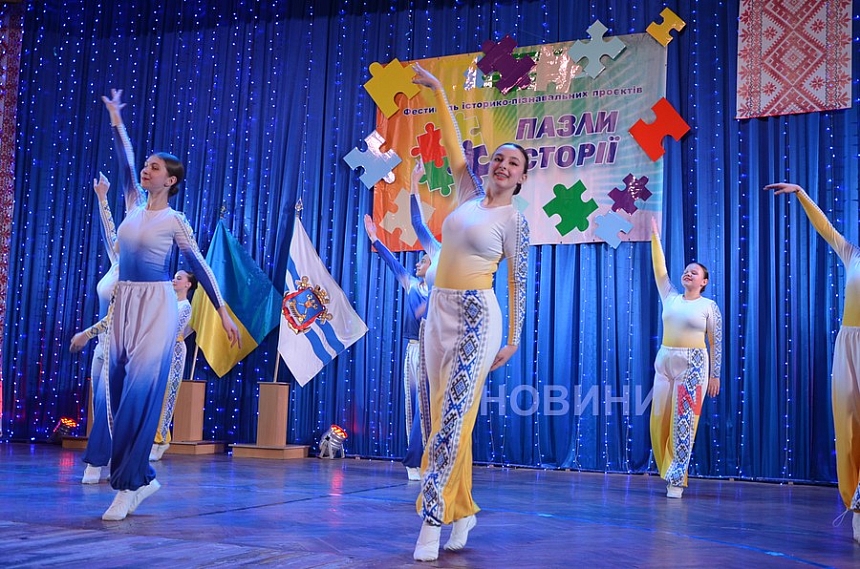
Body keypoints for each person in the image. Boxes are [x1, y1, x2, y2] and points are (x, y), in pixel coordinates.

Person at [99, 89, 239, 521]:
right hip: (126, 301)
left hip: (157, 305)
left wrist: (223, 310)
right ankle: (141, 478)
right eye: (147, 165)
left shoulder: (175, 221)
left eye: (155, 167)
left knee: (139, 396)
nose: (146, 169)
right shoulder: (132, 204)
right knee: (117, 393)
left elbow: (200, 265)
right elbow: (125, 161)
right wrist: (117, 120)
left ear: (171, 181)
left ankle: (126, 485)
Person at [410, 64, 530, 562]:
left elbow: (518, 281)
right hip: (437, 312)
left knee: (454, 419)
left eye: (513, 163)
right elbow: (453, 143)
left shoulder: (514, 220)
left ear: (521, 178)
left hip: (479, 318)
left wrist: (514, 338)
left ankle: (431, 521)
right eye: (499, 158)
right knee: (437, 418)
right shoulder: (466, 194)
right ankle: (463, 509)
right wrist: (439, 90)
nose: (502, 165)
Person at [765, 182, 860, 543]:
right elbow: (825, 228)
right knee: (848, 423)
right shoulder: (852, 255)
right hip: (848, 343)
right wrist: (802, 193)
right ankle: (856, 506)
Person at [649, 217, 722, 499]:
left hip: (693, 366)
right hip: (665, 361)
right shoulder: (670, 296)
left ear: (704, 282)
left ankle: (676, 480)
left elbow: (715, 342)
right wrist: (655, 236)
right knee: (658, 421)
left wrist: (715, 375)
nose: (688, 274)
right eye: (686, 271)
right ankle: (667, 469)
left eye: (694, 272)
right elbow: (660, 269)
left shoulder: (709, 306)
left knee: (684, 422)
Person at [364, 194, 431, 481]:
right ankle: (414, 461)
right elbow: (393, 264)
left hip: (435, 353)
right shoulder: (412, 284)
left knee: (431, 408)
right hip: (415, 351)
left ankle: (426, 458)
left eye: (423, 261)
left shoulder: (443, 290)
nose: (417, 265)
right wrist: (376, 240)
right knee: (415, 406)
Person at [69, 173, 119, 484]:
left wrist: (85, 334)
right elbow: (109, 230)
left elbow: (114, 317)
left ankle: (96, 461)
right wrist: (102, 197)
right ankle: (113, 456)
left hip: (119, 348)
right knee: (101, 406)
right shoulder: (118, 261)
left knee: (105, 403)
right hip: (102, 345)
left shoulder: (137, 273)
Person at [149, 269, 197, 462]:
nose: (174, 280)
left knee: (168, 396)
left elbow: (173, 330)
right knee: (154, 396)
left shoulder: (185, 306)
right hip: (157, 351)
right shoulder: (166, 303)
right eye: (174, 277)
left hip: (174, 352)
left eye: (179, 278)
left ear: (188, 284)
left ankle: (160, 440)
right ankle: (153, 438)